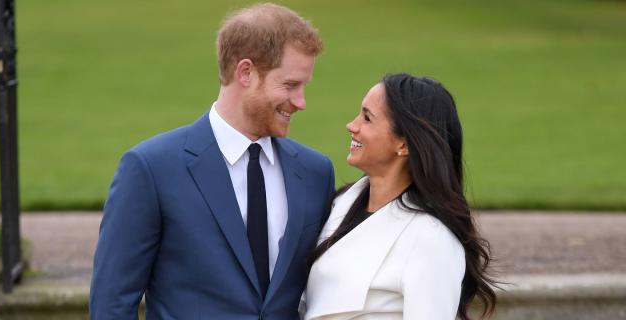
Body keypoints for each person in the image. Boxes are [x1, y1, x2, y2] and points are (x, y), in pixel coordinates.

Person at [90, 3, 335, 319]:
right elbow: (111, 304)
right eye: (290, 85)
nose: (301, 102)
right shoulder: (151, 169)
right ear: (245, 73)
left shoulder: (315, 173)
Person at [303, 73, 497, 320]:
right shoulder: (339, 203)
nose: (352, 126)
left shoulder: (431, 239)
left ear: (404, 145)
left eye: (367, 118)